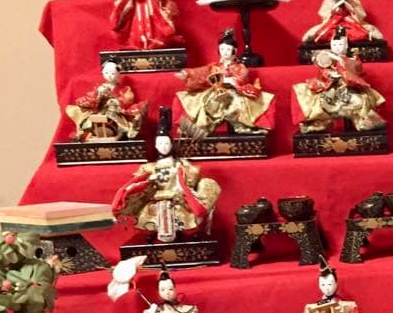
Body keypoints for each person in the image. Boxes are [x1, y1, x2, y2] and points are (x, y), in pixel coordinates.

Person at [112, 108, 220, 243]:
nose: (163, 146)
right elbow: (138, 184)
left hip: (177, 199)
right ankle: (152, 233)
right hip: (155, 199)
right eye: (160, 143)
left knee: (182, 215)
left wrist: (182, 184)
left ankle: (185, 233)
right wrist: (148, 182)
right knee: (150, 215)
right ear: (155, 145)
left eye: (166, 143)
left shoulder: (180, 164)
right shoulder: (149, 167)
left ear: (172, 144)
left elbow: (192, 180)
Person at [175, 29, 275, 138]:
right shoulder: (214, 66)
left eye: (228, 49)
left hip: (234, 92)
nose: (225, 52)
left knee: (236, 104)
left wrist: (231, 81)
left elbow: (243, 78)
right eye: (222, 49)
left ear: (234, 51)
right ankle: (199, 129)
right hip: (215, 91)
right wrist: (188, 74)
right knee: (206, 104)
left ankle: (244, 127)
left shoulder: (240, 66)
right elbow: (201, 73)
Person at [292, 26, 386, 133]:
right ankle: (318, 124)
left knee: (358, 102)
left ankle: (363, 123)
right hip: (331, 87)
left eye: (340, 45)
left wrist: (339, 61)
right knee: (322, 103)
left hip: (349, 88)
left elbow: (354, 72)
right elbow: (321, 69)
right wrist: (329, 73)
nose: (337, 47)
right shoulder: (328, 58)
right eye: (334, 45)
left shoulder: (353, 58)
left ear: (346, 45)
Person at [64, 61, 147, 142]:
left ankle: (116, 131)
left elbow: (127, 99)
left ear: (118, 74)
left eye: (112, 73)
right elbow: (94, 98)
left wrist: (116, 100)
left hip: (115, 111)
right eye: (106, 73)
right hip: (102, 109)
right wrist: (98, 96)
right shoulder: (101, 87)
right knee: (91, 120)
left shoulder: (124, 88)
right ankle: (91, 133)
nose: (109, 76)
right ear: (103, 73)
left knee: (116, 118)